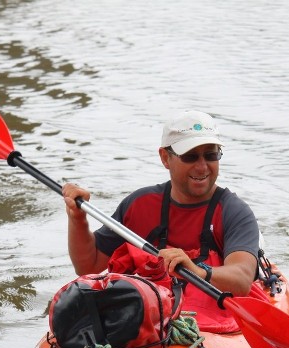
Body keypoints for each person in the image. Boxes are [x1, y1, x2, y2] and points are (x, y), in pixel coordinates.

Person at [60, 110, 263, 330]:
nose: (203, 166)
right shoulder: (140, 205)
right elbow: (88, 265)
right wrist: (78, 219)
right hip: (151, 320)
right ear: (165, 158)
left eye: (211, 155)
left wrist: (198, 271)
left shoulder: (234, 212)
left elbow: (242, 280)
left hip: (213, 323)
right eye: (190, 156)